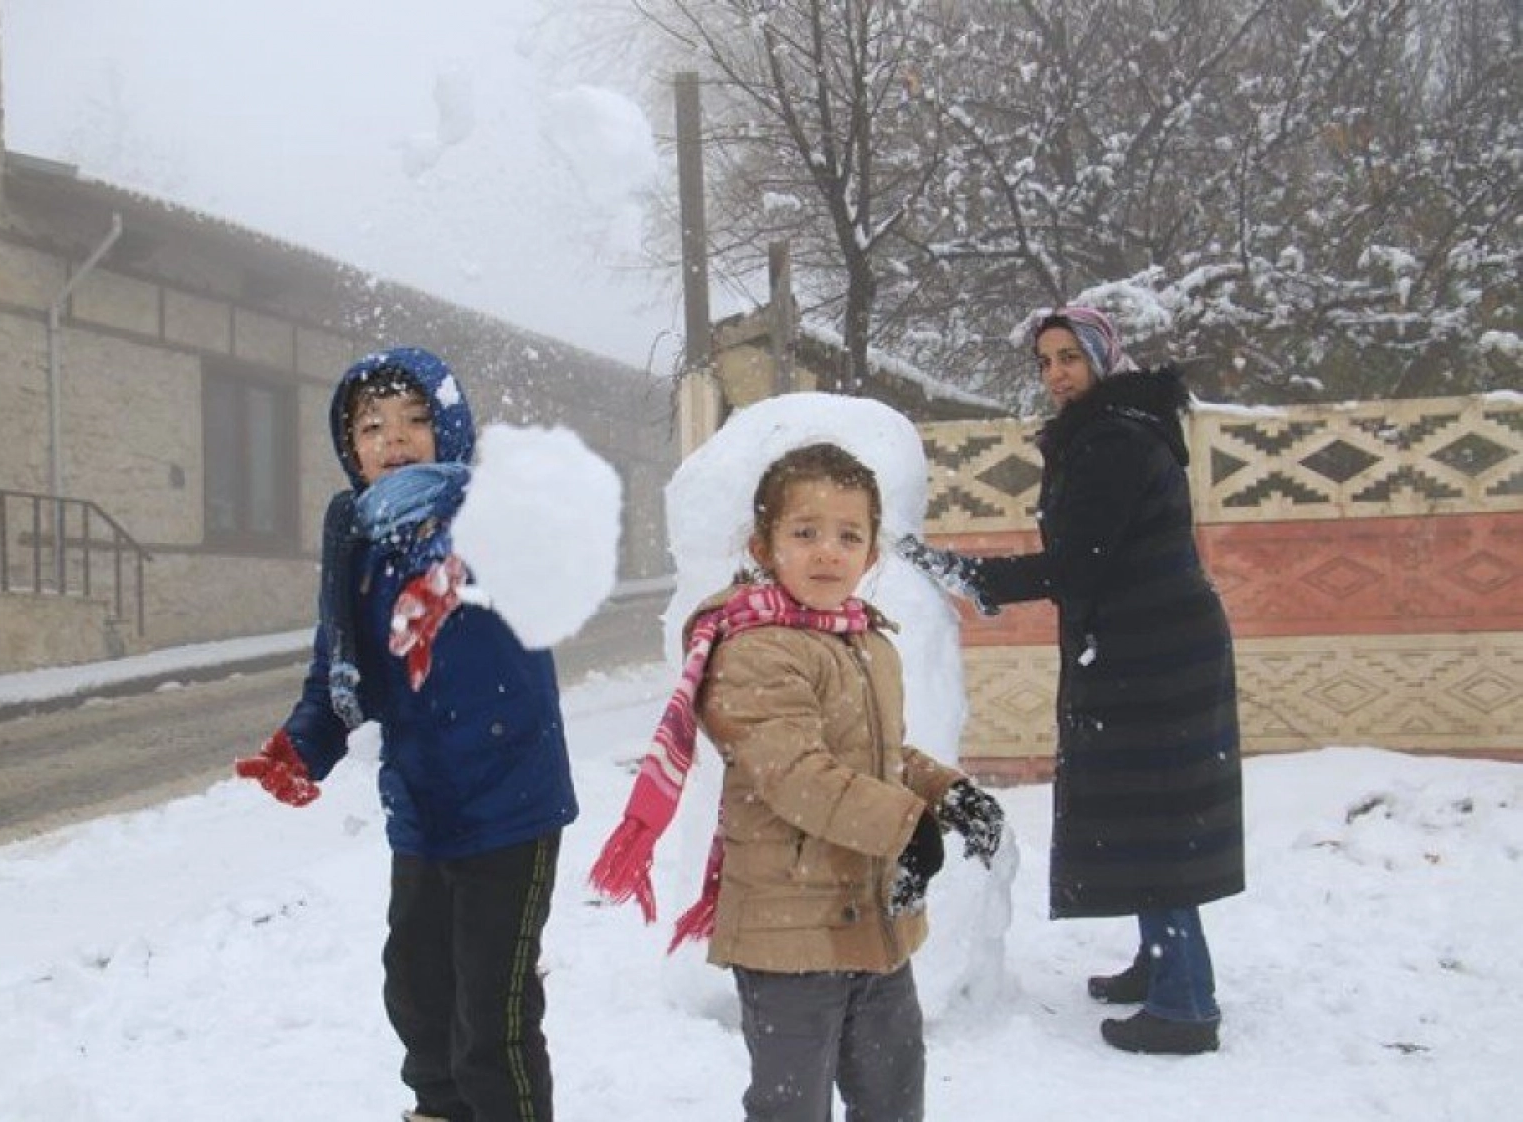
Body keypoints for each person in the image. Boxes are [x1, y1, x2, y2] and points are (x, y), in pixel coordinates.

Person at [591, 442, 1004, 1122]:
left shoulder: (868, 642)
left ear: (872, 555)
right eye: (804, 533)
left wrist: (946, 793)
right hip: (789, 936)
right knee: (792, 1108)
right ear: (764, 545)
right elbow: (795, 775)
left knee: (895, 1097)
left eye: (848, 536)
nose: (826, 552)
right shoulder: (755, 646)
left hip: (875, 921)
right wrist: (908, 827)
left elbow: (879, 755)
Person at [235, 346, 576, 1122]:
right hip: (423, 810)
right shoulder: (360, 548)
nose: (393, 437)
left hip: (510, 808)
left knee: (494, 1014)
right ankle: (441, 1112)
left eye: (416, 419)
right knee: (419, 991)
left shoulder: (488, 514)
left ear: (449, 427)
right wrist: (301, 747)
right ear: (349, 447)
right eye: (371, 425)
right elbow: (338, 671)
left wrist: (461, 571)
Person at [897, 306, 1244, 1055]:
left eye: (1069, 359)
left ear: (1101, 361)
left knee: (1156, 816)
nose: (1056, 374)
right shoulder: (1111, 429)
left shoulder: (1114, 440)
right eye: (1046, 361)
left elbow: (1076, 561)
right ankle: (1160, 966)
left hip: (1156, 656)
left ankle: (1185, 1004)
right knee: (1152, 812)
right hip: (1144, 646)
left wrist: (966, 573)